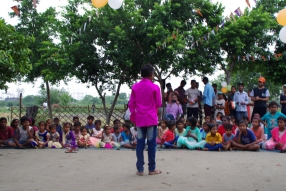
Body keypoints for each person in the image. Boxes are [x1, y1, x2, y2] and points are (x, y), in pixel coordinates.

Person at [129, 64, 162, 176]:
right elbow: (158, 103)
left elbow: (131, 104)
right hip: (151, 118)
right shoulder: (155, 87)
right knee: (152, 144)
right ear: (151, 74)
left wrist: (133, 116)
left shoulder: (135, 87)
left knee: (140, 143)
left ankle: (140, 169)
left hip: (140, 118)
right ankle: (152, 169)